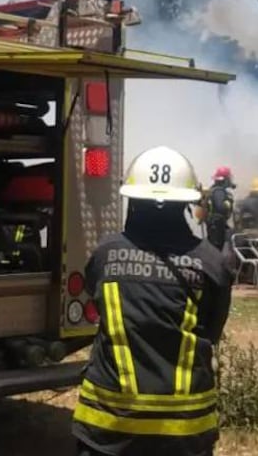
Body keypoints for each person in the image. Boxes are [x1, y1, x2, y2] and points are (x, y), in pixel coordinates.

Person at [72, 145, 234, 456]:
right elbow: (212, 333)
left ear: (131, 200)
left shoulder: (105, 255)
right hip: (184, 431)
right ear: (186, 205)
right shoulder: (212, 264)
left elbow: (98, 303)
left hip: (107, 430)